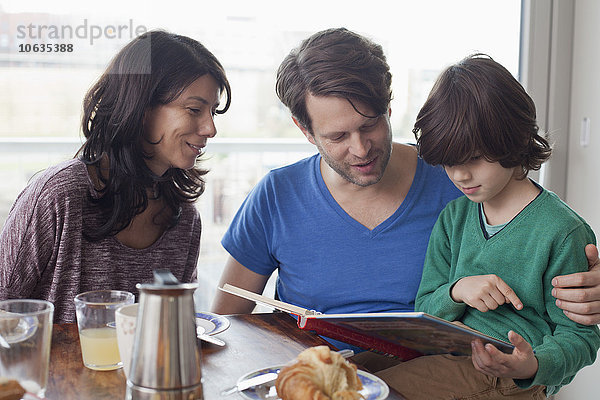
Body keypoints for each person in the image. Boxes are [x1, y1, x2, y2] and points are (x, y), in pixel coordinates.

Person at [211, 28, 600, 330]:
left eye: (370, 125)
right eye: (338, 137)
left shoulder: (459, 177)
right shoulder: (276, 196)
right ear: (304, 129)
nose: (361, 149)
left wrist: (587, 288)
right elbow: (226, 323)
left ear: (389, 106)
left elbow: (542, 243)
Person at [374, 54, 600, 399]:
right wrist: (457, 290)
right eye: (450, 163)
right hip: (446, 352)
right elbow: (425, 308)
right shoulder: (454, 217)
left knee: (369, 392)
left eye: (474, 159)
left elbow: (581, 337)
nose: (461, 175)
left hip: (509, 375)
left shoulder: (561, 231)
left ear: (513, 138)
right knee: (343, 372)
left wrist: (532, 366)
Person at [0, 30, 231, 323]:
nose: (210, 128)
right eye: (195, 109)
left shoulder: (184, 218)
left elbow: (174, 332)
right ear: (142, 108)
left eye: (213, 112)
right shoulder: (59, 196)